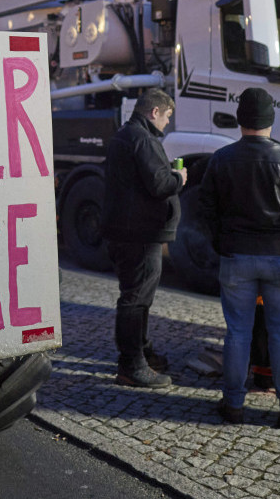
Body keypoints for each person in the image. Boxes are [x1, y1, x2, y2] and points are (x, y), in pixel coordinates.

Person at [196, 87, 280, 428]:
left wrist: (221, 243)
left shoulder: (221, 159)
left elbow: (206, 208)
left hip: (236, 255)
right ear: (270, 120)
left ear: (240, 120)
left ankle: (233, 404)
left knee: (238, 333)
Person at [102, 88, 187, 388]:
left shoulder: (125, 135)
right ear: (154, 112)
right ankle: (132, 365)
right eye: (167, 117)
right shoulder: (143, 139)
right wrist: (179, 177)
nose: (167, 123)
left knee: (138, 296)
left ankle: (142, 351)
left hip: (127, 230)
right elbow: (160, 184)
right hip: (138, 233)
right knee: (136, 299)